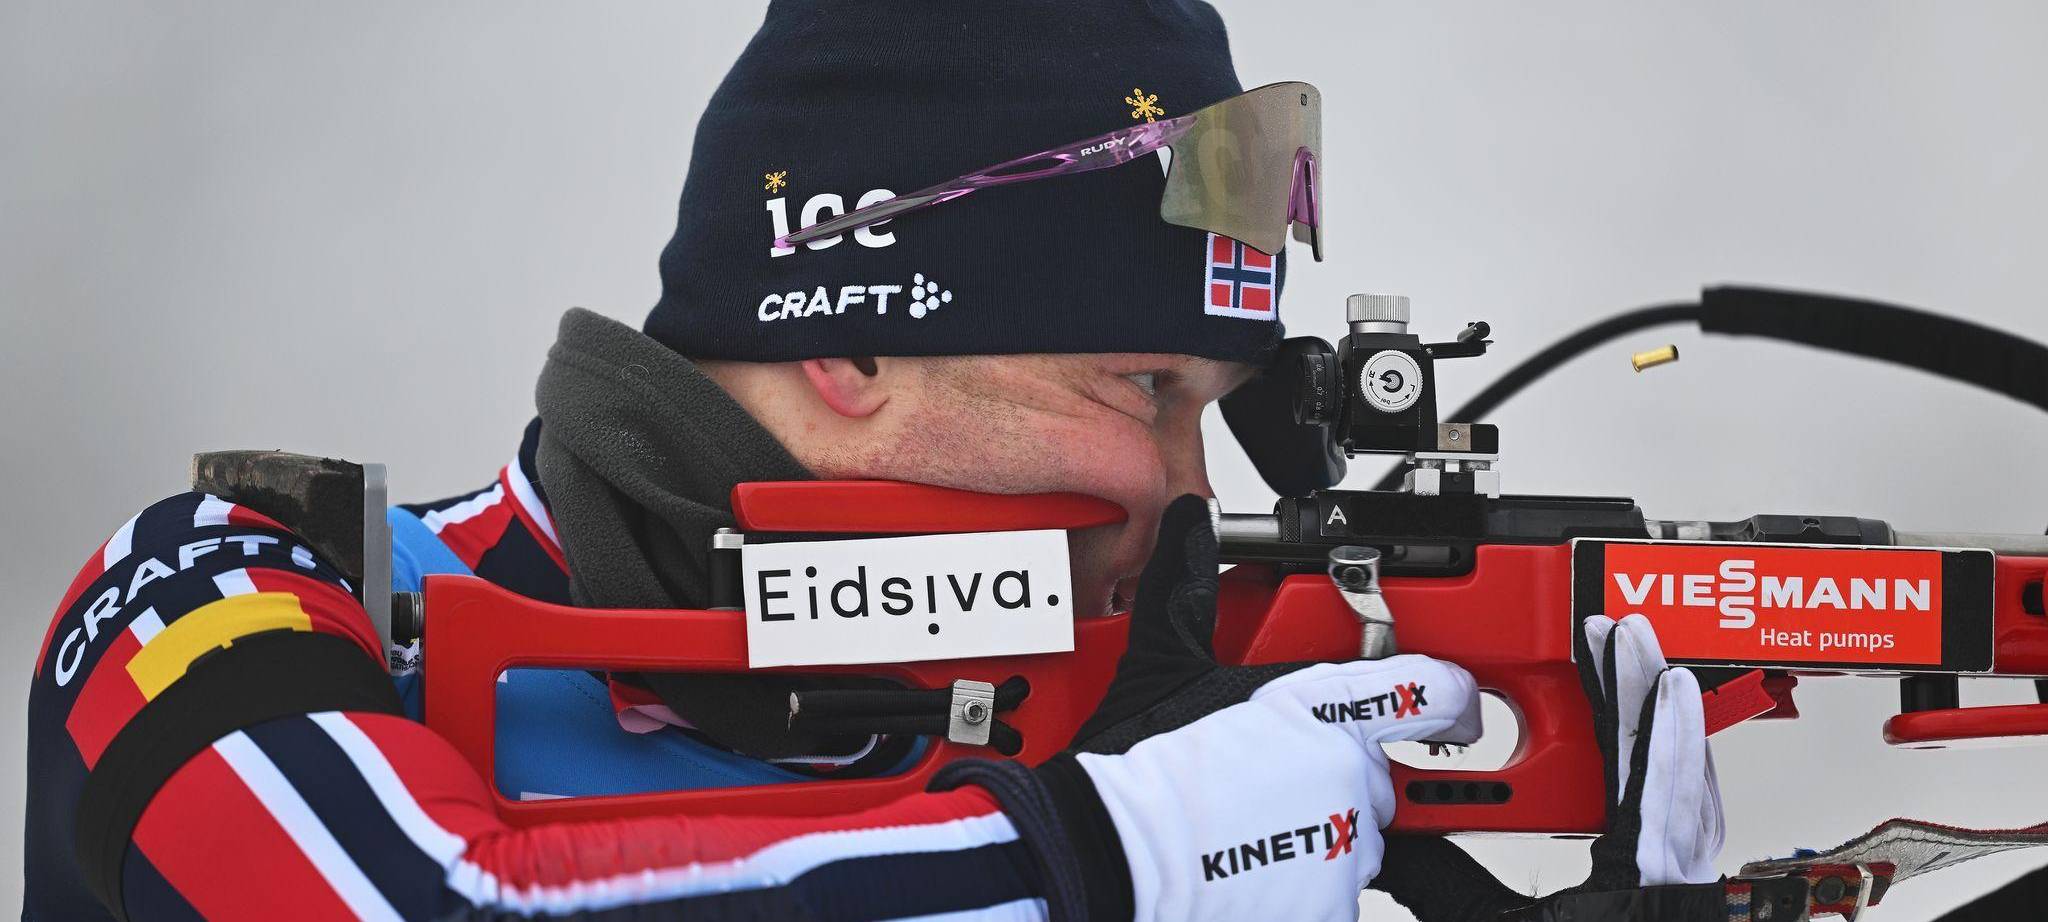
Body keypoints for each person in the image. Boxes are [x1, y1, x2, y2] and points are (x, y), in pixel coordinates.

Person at [24, 2, 1717, 920]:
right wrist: (1098, 853)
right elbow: (415, 901)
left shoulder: (1122, 699)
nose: (1190, 494)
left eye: (1212, 402)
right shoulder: (234, 585)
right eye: (1139, 382)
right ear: (845, 339)